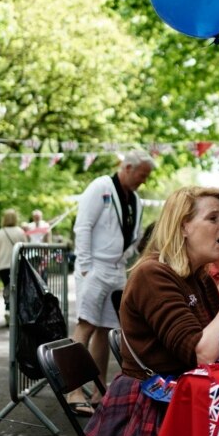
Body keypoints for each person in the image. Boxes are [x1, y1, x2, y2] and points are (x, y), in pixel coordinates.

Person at [73, 186, 219, 436]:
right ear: (183, 226)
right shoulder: (153, 274)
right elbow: (204, 354)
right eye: (213, 218)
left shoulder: (197, 277)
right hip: (154, 407)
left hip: (188, 397)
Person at [69, 150, 155, 414]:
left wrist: (127, 258)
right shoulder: (101, 187)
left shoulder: (136, 200)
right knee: (86, 325)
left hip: (116, 268)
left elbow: (133, 234)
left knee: (107, 329)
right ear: (127, 167)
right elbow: (83, 226)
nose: (143, 181)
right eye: (142, 175)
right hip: (94, 266)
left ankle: (99, 391)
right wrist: (85, 267)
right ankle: (73, 391)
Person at [0, 208, 29, 324]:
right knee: (17, 288)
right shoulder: (20, 231)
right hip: (17, 264)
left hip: (3, 265)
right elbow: (27, 248)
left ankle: (8, 308)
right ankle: (16, 313)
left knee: (7, 287)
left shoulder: (0, 232)